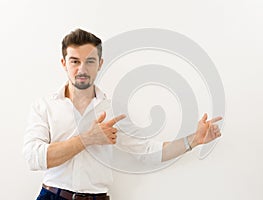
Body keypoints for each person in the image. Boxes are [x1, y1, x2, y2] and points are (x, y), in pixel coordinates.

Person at [23, 28, 222, 200]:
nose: (82, 69)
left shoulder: (113, 111)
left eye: (90, 61)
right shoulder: (44, 106)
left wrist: (192, 140)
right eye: (74, 61)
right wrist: (87, 139)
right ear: (63, 63)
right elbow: (34, 158)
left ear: (100, 64)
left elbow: (146, 152)